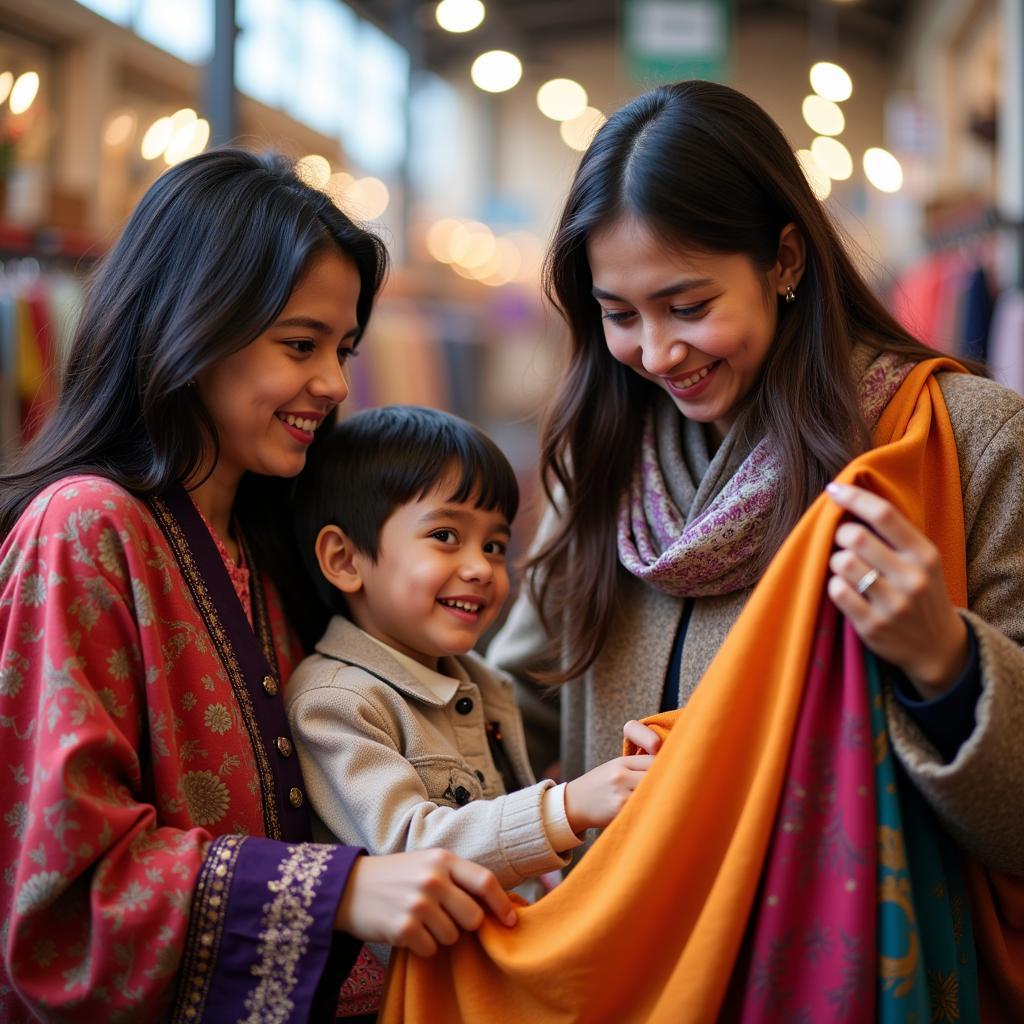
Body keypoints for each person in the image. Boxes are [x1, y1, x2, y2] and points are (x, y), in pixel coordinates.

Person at [372, 81, 1024, 1021]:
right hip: (626, 971)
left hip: (835, 979)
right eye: (620, 313)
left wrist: (946, 664)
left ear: (785, 258)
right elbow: (522, 717)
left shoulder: (963, 446)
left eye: (687, 304)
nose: (657, 351)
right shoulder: (600, 459)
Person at [0, 148, 518, 1024]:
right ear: (190, 325)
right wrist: (340, 893)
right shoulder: (86, 529)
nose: (335, 383)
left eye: (344, 347)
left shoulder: (278, 540)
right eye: (301, 344)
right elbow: (65, 889)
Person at [285, 405, 657, 892]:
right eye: (445, 536)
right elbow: (407, 848)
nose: (481, 568)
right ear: (345, 559)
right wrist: (564, 808)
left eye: (494, 546)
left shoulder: (483, 682)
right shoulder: (334, 703)